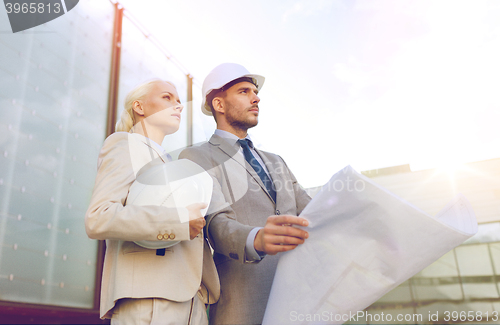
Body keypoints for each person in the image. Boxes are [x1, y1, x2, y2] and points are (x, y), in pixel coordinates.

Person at [180, 63, 311, 324]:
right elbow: (215, 223)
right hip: (242, 306)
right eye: (244, 91)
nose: (256, 98)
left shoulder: (277, 161)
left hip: (297, 302)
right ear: (219, 104)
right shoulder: (195, 157)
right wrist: (258, 238)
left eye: (255, 92)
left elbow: (311, 212)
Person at [85, 79, 219, 325]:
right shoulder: (124, 144)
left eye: (179, 101)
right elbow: (99, 217)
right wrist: (178, 221)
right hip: (150, 302)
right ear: (139, 106)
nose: (178, 105)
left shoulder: (166, 160)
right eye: (167, 97)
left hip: (190, 301)